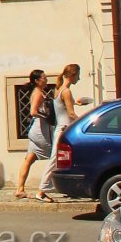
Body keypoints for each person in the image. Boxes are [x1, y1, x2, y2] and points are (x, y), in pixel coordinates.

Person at [37, 63, 91, 199]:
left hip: (63, 128)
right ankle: (42, 189)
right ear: (72, 75)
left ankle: (68, 186)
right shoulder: (66, 91)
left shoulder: (60, 89)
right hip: (64, 129)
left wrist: (78, 102)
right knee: (55, 159)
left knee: (65, 158)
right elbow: (71, 114)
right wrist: (85, 124)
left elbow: (65, 106)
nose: (78, 79)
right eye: (78, 75)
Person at [15, 68, 52, 197]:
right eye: (44, 77)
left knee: (29, 158)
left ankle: (20, 189)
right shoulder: (37, 93)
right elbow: (33, 111)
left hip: (37, 129)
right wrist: (47, 116)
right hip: (40, 130)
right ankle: (44, 189)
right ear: (37, 81)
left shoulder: (40, 91)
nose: (46, 79)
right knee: (55, 156)